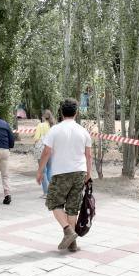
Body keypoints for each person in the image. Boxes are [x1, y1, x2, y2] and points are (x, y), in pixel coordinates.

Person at [36, 99, 92, 253]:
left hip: (61, 172)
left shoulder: (55, 130)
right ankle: (72, 244)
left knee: (53, 203)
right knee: (73, 207)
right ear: (76, 112)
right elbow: (89, 156)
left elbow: (46, 152)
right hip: (80, 172)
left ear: (61, 112)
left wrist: (40, 171)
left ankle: (68, 231)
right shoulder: (83, 131)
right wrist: (89, 174)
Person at [33, 110, 56, 198]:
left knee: (43, 170)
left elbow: (36, 138)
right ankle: (53, 191)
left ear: (43, 117)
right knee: (50, 169)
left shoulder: (40, 125)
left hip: (41, 150)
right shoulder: (53, 126)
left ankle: (46, 193)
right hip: (51, 149)